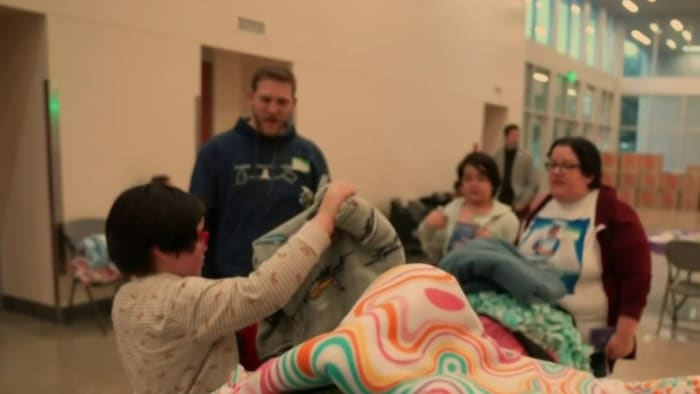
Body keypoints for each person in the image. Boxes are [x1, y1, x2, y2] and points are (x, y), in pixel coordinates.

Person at [107, 181, 355, 393]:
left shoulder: (124, 298)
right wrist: (325, 218)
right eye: (200, 236)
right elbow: (264, 290)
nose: (206, 246)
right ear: (161, 250)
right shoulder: (183, 299)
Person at [189, 66, 328, 368]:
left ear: (294, 103)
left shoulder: (311, 155)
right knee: (236, 377)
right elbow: (197, 221)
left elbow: (324, 217)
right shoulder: (217, 152)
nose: (273, 109)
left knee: (286, 373)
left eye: (282, 102)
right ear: (251, 97)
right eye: (265, 99)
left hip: (294, 291)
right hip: (231, 290)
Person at [518, 137, 651, 373]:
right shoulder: (540, 206)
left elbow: (637, 279)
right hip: (531, 335)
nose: (556, 172)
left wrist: (624, 335)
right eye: (552, 165)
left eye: (567, 166)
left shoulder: (615, 214)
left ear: (589, 174)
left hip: (587, 343)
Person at [418, 152, 520, 262]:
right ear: (461, 184)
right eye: (468, 179)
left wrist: (493, 246)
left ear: (493, 184)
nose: (474, 184)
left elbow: (513, 264)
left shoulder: (508, 219)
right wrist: (428, 228)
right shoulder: (451, 209)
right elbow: (435, 253)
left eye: (481, 179)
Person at [492, 124, 539, 217]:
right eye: (513, 136)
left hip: (517, 199)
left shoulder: (526, 158)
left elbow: (533, 183)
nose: (516, 139)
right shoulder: (496, 156)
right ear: (506, 137)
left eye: (518, 136)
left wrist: (523, 202)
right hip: (499, 198)